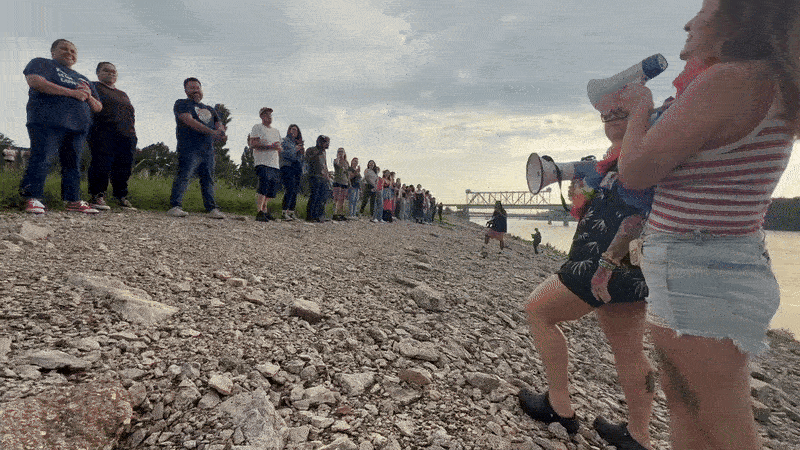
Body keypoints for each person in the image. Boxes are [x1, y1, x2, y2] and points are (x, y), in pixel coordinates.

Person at [617, 1, 799, 449]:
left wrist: (639, 106)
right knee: (686, 407)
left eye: (702, 10)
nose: (688, 21)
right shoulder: (768, 82)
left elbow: (636, 170)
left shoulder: (729, 80)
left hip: (699, 272)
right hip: (707, 266)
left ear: (737, 18)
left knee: (724, 422)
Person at [518, 97, 656, 450]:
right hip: (633, 263)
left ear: (643, 116)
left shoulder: (639, 157)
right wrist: (583, 197)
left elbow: (635, 214)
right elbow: (601, 211)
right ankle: (638, 436)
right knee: (628, 348)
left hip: (600, 261)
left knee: (539, 310)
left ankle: (559, 407)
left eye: (621, 111)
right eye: (606, 112)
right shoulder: (618, 161)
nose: (609, 115)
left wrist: (605, 266)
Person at [19, 39, 103, 214]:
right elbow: (35, 81)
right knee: (42, 157)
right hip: (47, 120)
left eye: (73, 51)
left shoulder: (83, 79)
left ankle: (73, 200)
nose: (69, 53)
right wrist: (72, 92)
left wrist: (87, 96)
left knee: (73, 164)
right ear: (53, 52)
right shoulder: (42, 63)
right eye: (64, 49)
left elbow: (98, 107)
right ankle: (32, 198)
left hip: (78, 126)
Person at [167, 77, 226, 219]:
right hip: (189, 147)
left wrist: (221, 133)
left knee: (208, 179)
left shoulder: (210, 109)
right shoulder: (182, 103)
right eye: (191, 88)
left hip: (208, 150)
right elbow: (188, 120)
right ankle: (175, 206)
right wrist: (212, 132)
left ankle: (212, 208)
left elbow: (219, 125)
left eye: (197, 87)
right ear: (186, 90)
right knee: (184, 176)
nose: (195, 90)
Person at [87, 62, 137, 210]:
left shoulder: (122, 94)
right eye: (106, 70)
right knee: (102, 163)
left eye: (114, 71)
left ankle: (121, 197)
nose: (111, 73)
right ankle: (98, 196)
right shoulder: (94, 87)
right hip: (103, 131)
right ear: (98, 73)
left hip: (126, 134)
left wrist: (132, 132)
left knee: (124, 166)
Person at [248, 107, 282, 222]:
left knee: (271, 188)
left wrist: (278, 148)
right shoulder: (257, 127)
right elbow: (253, 144)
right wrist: (270, 147)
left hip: (274, 163)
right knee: (264, 185)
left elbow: (279, 147)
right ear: (262, 116)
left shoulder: (276, 131)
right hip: (262, 161)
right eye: (266, 115)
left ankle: (265, 210)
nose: (269, 117)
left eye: (270, 115)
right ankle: (259, 211)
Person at [280, 124, 304, 220]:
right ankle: (284, 212)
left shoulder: (297, 143)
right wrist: (295, 149)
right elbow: (284, 154)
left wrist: (302, 152)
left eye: (296, 130)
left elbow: (301, 159)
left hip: (297, 168)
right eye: (292, 129)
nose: (293, 131)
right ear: (288, 130)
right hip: (287, 166)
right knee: (289, 188)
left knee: (295, 190)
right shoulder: (285, 141)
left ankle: (291, 212)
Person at [304, 135, 330, 222]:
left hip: (323, 177)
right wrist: (317, 153)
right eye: (326, 142)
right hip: (314, 175)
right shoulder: (311, 149)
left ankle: (319, 215)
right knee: (314, 196)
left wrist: (327, 175)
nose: (327, 144)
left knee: (322, 197)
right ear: (320, 142)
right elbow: (306, 159)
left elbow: (324, 164)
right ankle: (310, 216)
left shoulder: (324, 153)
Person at [332, 148, 349, 221]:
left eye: (342, 152)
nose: (340, 153)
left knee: (342, 199)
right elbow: (337, 165)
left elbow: (347, 173)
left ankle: (341, 214)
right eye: (339, 152)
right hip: (337, 181)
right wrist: (338, 158)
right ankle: (334, 213)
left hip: (345, 182)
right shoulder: (336, 160)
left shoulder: (346, 162)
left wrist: (349, 182)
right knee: (336, 198)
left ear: (344, 153)